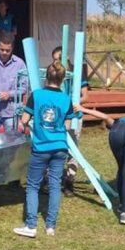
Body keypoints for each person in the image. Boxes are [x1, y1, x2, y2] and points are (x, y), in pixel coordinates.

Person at [14, 62, 79, 238]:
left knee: (33, 186)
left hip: (41, 148)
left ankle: (31, 225)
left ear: (46, 77)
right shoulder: (66, 99)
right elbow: (66, 125)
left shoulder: (36, 95)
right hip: (60, 148)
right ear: (62, 79)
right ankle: (50, 226)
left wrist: (28, 122)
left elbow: (24, 120)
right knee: (55, 185)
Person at [51, 46, 89, 197]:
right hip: (58, 116)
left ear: (67, 58)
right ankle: (55, 179)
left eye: (59, 59)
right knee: (57, 147)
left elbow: (86, 96)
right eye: (54, 60)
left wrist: (73, 102)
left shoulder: (77, 74)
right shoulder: (53, 75)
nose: (56, 62)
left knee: (72, 148)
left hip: (74, 116)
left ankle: (69, 181)